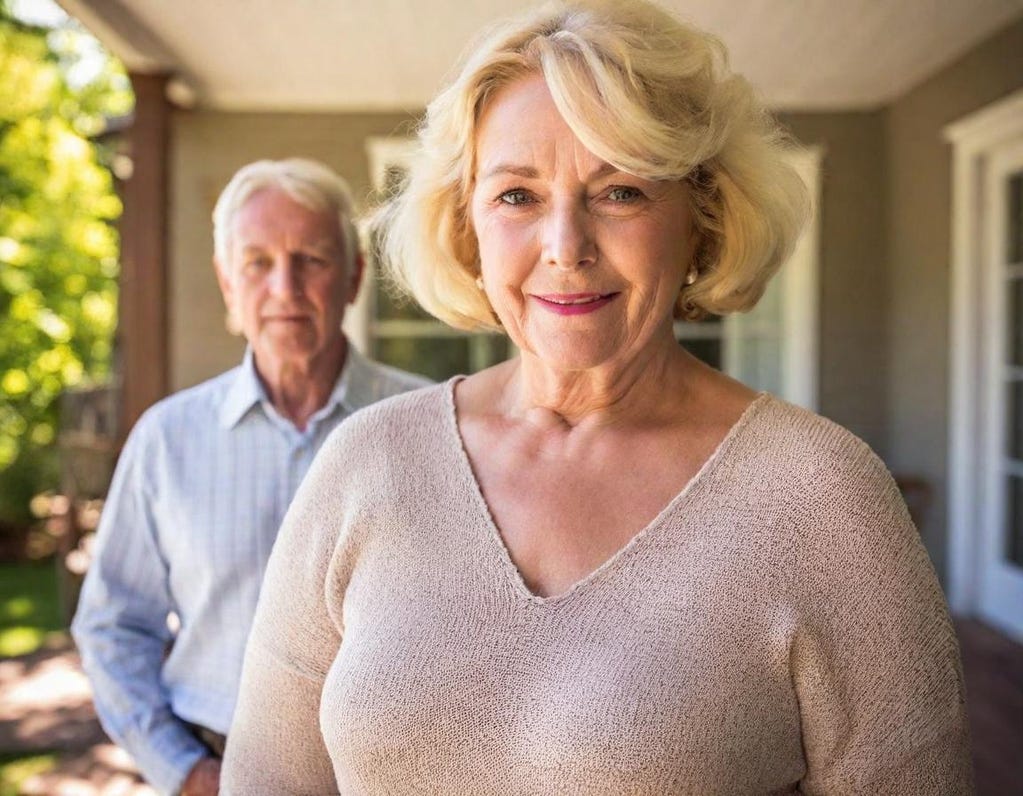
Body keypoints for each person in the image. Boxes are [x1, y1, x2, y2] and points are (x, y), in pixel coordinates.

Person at [222, 2, 973, 793]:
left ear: (702, 216)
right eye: (517, 196)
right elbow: (269, 781)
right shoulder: (366, 462)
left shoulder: (821, 495)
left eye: (619, 191)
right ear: (466, 226)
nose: (565, 247)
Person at [71, 157, 430, 796]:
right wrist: (183, 771)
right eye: (258, 263)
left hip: (395, 773)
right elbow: (112, 626)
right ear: (227, 283)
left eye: (311, 260)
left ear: (353, 277)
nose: (285, 288)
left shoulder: (432, 427)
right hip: (214, 763)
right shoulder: (167, 440)